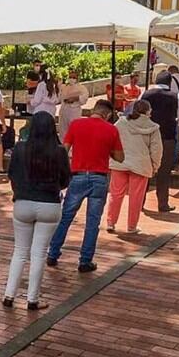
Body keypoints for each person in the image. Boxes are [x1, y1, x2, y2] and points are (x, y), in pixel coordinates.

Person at [3, 111, 71, 311]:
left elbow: (12, 175)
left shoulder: (20, 148)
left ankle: (9, 295)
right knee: (39, 253)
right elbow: (65, 180)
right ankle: (32, 299)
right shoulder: (59, 151)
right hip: (49, 204)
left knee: (20, 252)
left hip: (23, 203)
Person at [46, 100, 124, 272]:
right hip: (99, 178)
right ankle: (85, 261)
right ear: (108, 114)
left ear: (94, 110)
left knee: (66, 216)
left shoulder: (76, 124)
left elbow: (63, 149)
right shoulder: (112, 130)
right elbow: (120, 157)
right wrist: (107, 149)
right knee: (92, 222)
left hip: (78, 175)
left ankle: (52, 253)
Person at [106, 100, 162, 234]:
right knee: (136, 197)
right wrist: (155, 166)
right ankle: (132, 226)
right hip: (141, 165)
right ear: (148, 111)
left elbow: (111, 140)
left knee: (115, 194)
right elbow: (156, 149)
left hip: (120, 162)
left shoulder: (121, 123)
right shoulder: (153, 127)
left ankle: (110, 222)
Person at [140, 71, 179, 212]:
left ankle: (139, 202)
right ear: (170, 83)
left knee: (144, 170)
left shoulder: (145, 95)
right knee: (164, 171)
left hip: (146, 137)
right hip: (166, 138)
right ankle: (163, 204)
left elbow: (135, 112)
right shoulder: (175, 97)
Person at [59, 70, 89, 136]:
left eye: (74, 77)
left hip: (74, 111)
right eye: (70, 77)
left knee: (74, 129)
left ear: (77, 78)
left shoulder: (82, 88)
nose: (71, 79)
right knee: (63, 130)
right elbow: (60, 97)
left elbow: (85, 97)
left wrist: (76, 98)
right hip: (64, 110)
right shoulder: (65, 87)